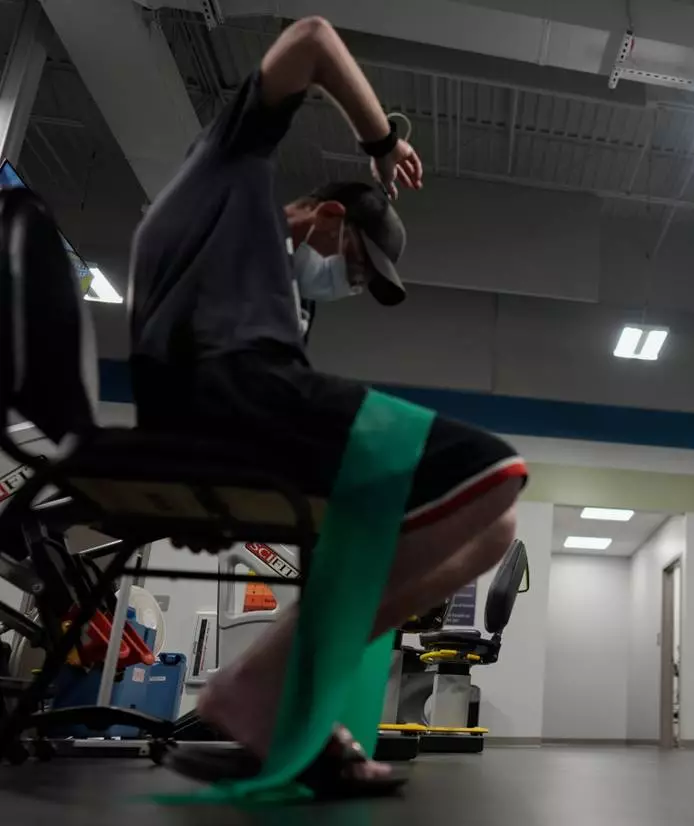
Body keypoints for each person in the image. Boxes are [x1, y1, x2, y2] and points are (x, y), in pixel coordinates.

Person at [127, 17, 526, 797]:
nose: (347, 283)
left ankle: (275, 693)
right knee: (493, 471)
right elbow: (310, 39)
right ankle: (262, 689)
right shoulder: (228, 174)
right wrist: (382, 141)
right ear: (329, 216)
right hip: (219, 393)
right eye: (355, 267)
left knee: (495, 531)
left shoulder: (283, 306)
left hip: (232, 421)